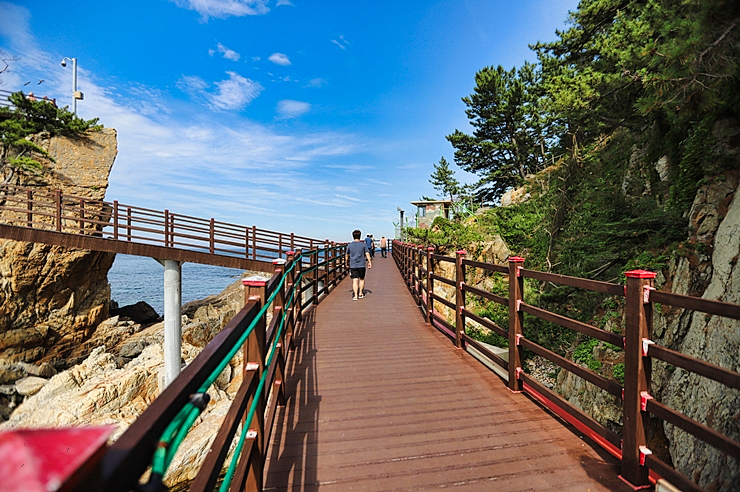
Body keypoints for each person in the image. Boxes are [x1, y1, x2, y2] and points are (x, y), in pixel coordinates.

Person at [348, 229, 372, 300]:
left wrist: (346, 262)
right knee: (362, 279)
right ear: (360, 236)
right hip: (362, 264)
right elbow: (367, 254)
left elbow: (346, 255)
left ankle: (355, 296)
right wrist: (369, 262)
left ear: (353, 236)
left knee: (355, 280)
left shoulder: (350, 245)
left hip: (353, 265)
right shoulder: (363, 245)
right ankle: (361, 293)